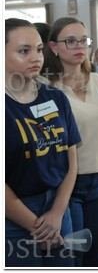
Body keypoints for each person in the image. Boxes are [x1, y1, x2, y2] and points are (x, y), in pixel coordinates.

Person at [42, 17, 98, 266]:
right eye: (70, 41)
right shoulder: (47, 88)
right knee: (72, 255)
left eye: (83, 40)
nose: (79, 46)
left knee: (96, 254)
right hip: (68, 184)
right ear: (54, 47)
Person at [5, 19, 81, 267]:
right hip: (13, 216)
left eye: (39, 50)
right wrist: (37, 227)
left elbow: (71, 160)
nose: (35, 58)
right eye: (23, 51)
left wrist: (57, 213)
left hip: (57, 206)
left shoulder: (55, 97)